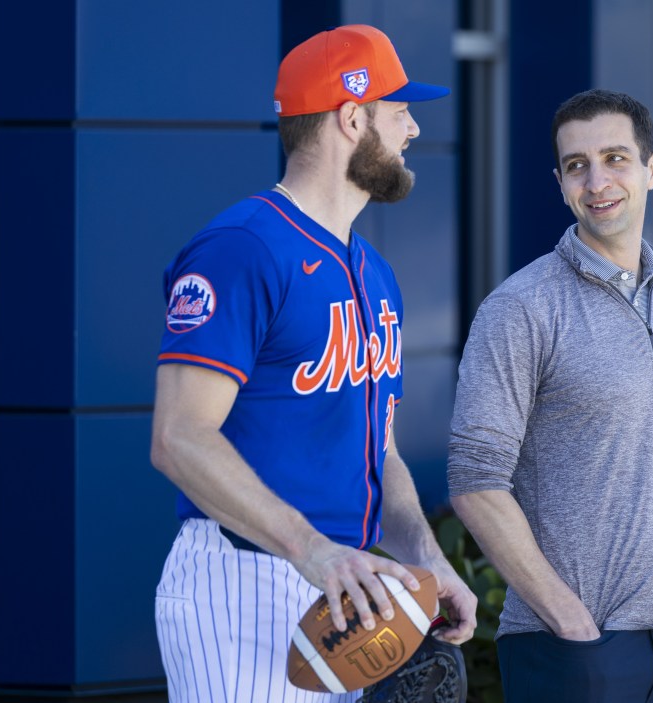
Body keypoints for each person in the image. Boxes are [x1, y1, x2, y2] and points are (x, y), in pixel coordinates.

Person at [151, 24, 477, 703]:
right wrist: (310, 549)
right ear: (351, 117)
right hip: (244, 578)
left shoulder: (374, 271)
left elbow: (378, 451)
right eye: (399, 112)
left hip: (345, 589)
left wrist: (425, 557)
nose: (413, 129)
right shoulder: (242, 248)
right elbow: (179, 437)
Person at [447, 89, 653, 703]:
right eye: (577, 165)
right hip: (567, 648)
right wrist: (572, 624)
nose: (597, 180)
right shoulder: (520, 309)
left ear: (652, 169)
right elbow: (474, 479)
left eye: (615, 158)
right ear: (560, 182)